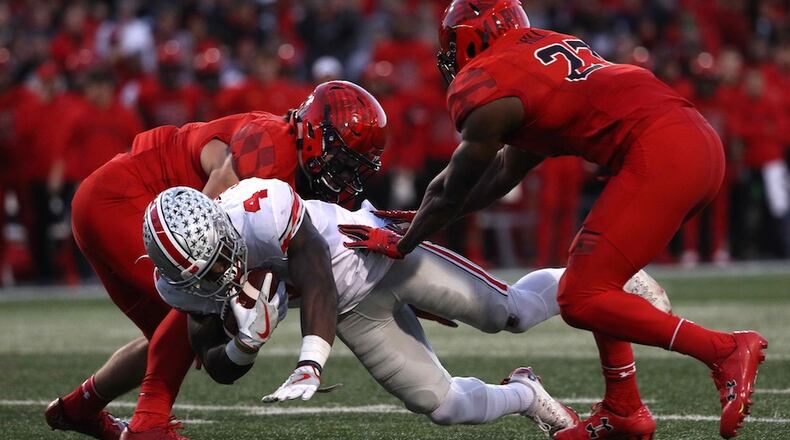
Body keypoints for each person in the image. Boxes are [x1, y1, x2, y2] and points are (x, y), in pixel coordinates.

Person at [339, 2, 767, 439]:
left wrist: (404, 241)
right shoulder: (540, 55)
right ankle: (623, 408)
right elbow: (504, 173)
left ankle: (724, 350)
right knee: (592, 278)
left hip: (661, 152)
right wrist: (421, 220)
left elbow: (451, 189)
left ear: (470, 39)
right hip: (691, 140)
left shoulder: (487, 83)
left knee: (579, 297)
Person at [143, 179, 672, 437]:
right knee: (442, 406)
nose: (219, 275)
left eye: (217, 260)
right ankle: (526, 394)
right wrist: (244, 345)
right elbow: (212, 362)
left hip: (380, 255)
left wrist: (309, 360)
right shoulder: (181, 285)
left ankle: (604, 278)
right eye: (203, 274)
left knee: (507, 313)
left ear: (218, 222)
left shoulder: (259, 206)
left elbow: (317, 278)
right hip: (353, 313)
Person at [44, 80, 387, 440]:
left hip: (119, 204)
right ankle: (149, 424)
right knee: (203, 294)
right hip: (124, 199)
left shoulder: (298, 163)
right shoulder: (269, 145)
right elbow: (205, 221)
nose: (347, 176)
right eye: (343, 161)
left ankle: (78, 408)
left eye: (355, 167)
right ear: (316, 135)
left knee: (182, 338)